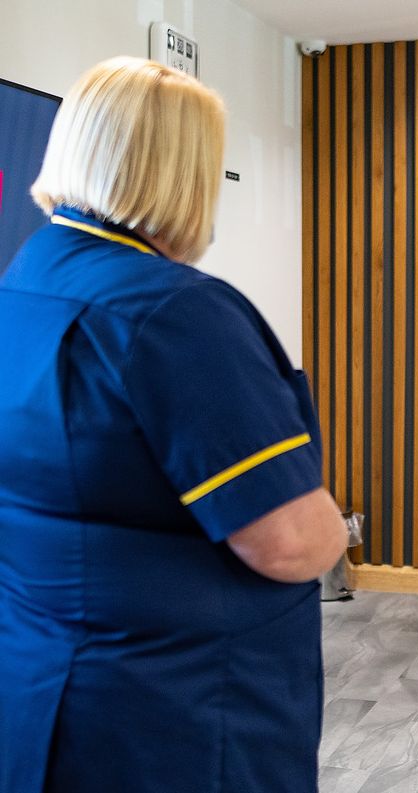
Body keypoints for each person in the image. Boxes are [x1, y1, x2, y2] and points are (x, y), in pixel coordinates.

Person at [0, 57, 346, 793]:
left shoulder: (27, 277)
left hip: (46, 685)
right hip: (176, 713)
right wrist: (335, 529)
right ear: (183, 174)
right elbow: (291, 543)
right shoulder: (174, 314)